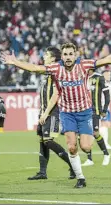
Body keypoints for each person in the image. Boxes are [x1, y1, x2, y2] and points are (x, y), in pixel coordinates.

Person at [0, 40, 111, 188]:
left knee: (86, 147)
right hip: (67, 112)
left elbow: (108, 59)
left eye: (71, 54)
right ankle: (80, 178)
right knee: (71, 147)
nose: (68, 57)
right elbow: (35, 68)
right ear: (62, 56)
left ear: (75, 55)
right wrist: (15, 62)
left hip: (84, 112)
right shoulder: (56, 68)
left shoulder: (84, 65)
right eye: (65, 54)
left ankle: (82, 137)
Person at [27, 46, 75, 180]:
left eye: (46, 55)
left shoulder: (56, 72)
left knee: (48, 140)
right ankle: (42, 172)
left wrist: (46, 113)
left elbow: (55, 94)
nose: (44, 57)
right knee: (43, 141)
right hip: (44, 111)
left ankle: (73, 165)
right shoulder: (47, 73)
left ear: (53, 58)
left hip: (52, 112)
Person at [81, 69, 111, 167]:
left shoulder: (99, 77)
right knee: (82, 134)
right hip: (83, 110)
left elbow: (107, 94)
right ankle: (89, 159)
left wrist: (105, 110)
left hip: (95, 110)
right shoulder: (82, 77)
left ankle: (106, 154)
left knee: (95, 133)